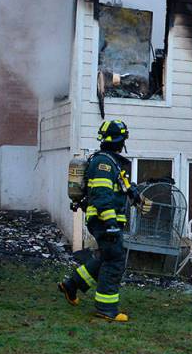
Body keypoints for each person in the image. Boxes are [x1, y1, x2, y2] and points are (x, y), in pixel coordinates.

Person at [58, 119, 144, 322]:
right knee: (114, 261)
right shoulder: (104, 163)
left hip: (104, 221)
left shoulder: (108, 161)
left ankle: (72, 285)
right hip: (104, 221)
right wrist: (111, 224)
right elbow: (102, 196)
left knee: (106, 256)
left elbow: (120, 186)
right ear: (120, 140)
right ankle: (106, 308)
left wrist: (134, 192)